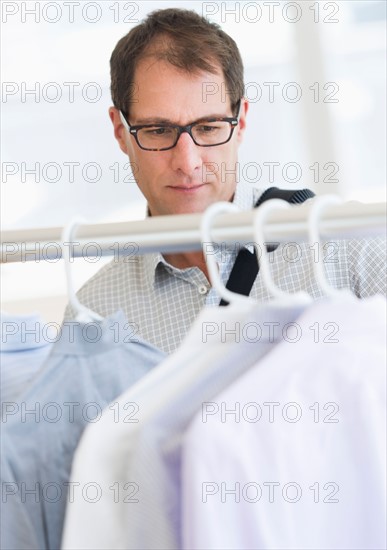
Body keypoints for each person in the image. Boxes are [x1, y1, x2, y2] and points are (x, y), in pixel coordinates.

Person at [64, 8, 386, 354]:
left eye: (208, 127)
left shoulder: (349, 243)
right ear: (120, 131)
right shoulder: (92, 316)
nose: (187, 163)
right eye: (158, 131)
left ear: (241, 121)